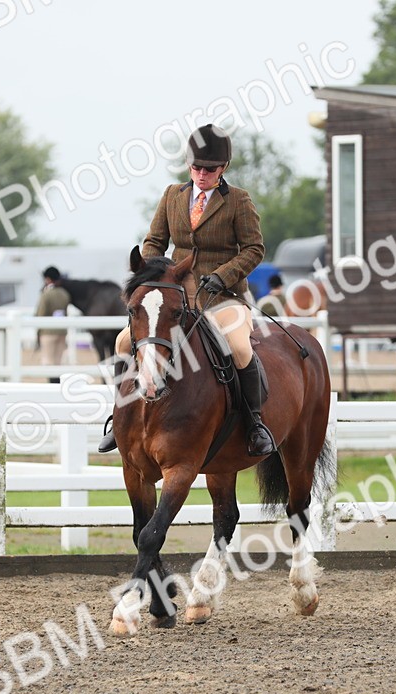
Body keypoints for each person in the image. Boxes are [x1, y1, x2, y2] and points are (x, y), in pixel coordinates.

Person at [98, 123, 273, 457]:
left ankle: (254, 424)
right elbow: (154, 242)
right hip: (173, 296)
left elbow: (254, 249)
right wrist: (152, 274)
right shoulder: (172, 196)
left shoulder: (238, 201)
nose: (202, 174)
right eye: (196, 167)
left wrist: (223, 276)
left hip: (222, 296)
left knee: (238, 347)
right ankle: (119, 416)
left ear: (223, 169)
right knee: (124, 342)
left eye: (210, 169)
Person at [35, 266, 72, 383]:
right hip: (61, 331)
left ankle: (52, 384)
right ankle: (57, 382)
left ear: (48, 279)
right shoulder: (64, 294)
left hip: (48, 332)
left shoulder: (46, 294)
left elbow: (40, 313)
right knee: (58, 360)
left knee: (48, 360)